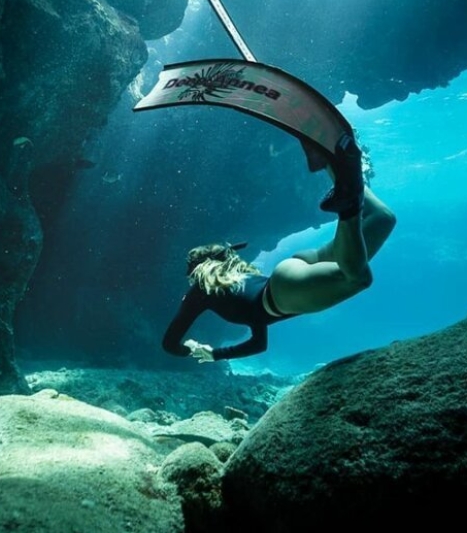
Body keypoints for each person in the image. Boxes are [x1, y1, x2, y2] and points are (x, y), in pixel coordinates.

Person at [162, 132, 396, 362]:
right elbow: (259, 343)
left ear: (197, 269)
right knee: (383, 219)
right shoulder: (239, 276)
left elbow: (170, 344)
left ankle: (347, 203)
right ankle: (330, 163)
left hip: (283, 292)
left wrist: (197, 350)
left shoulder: (201, 290)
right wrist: (216, 353)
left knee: (357, 278)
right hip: (294, 270)